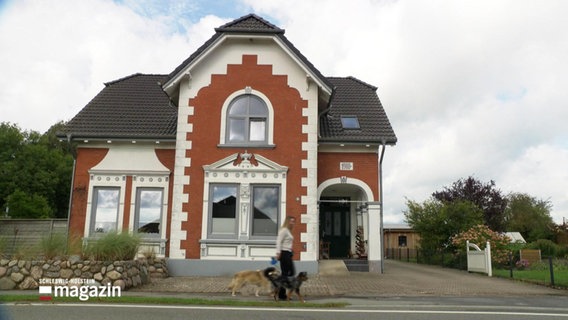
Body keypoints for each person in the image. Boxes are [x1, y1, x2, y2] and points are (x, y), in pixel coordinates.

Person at [275, 216, 296, 300]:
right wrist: (278, 253)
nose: (293, 223)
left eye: (294, 221)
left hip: (288, 253)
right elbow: (278, 241)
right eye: (291, 221)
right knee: (286, 274)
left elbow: (287, 242)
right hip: (284, 254)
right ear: (287, 222)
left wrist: (291, 250)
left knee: (289, 273)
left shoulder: (288, 231)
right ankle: (281, 294)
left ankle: (280, 292)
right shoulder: (284, 230)